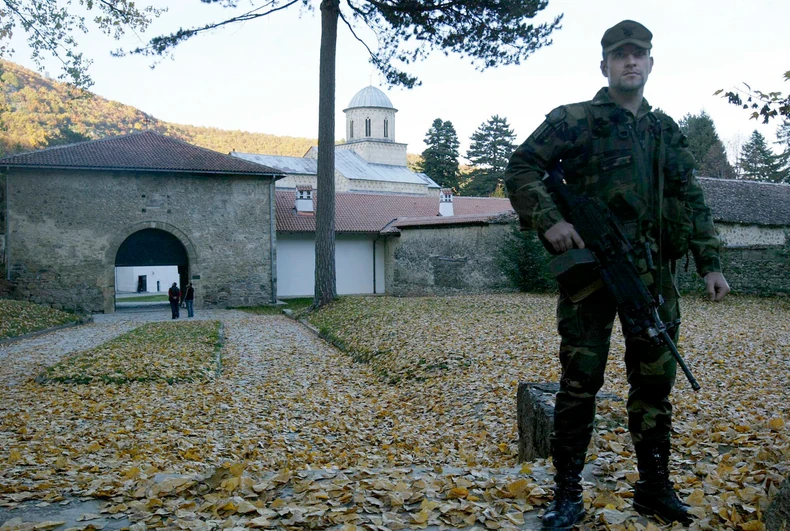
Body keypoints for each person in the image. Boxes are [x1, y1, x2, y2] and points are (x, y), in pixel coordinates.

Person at [504, 20, 730, 529]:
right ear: (604, 64)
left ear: (650, 63)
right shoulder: (574, 120)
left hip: (653, 280)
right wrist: (551, 220)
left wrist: (709, 263)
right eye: (620, 55)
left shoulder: (664, 130)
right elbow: (521, 167)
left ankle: (653, 488)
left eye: (639, 54)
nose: (631, 62)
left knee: (654, 387)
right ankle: (567, 495)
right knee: (579, 385)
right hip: (590, 277)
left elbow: (690, 198)